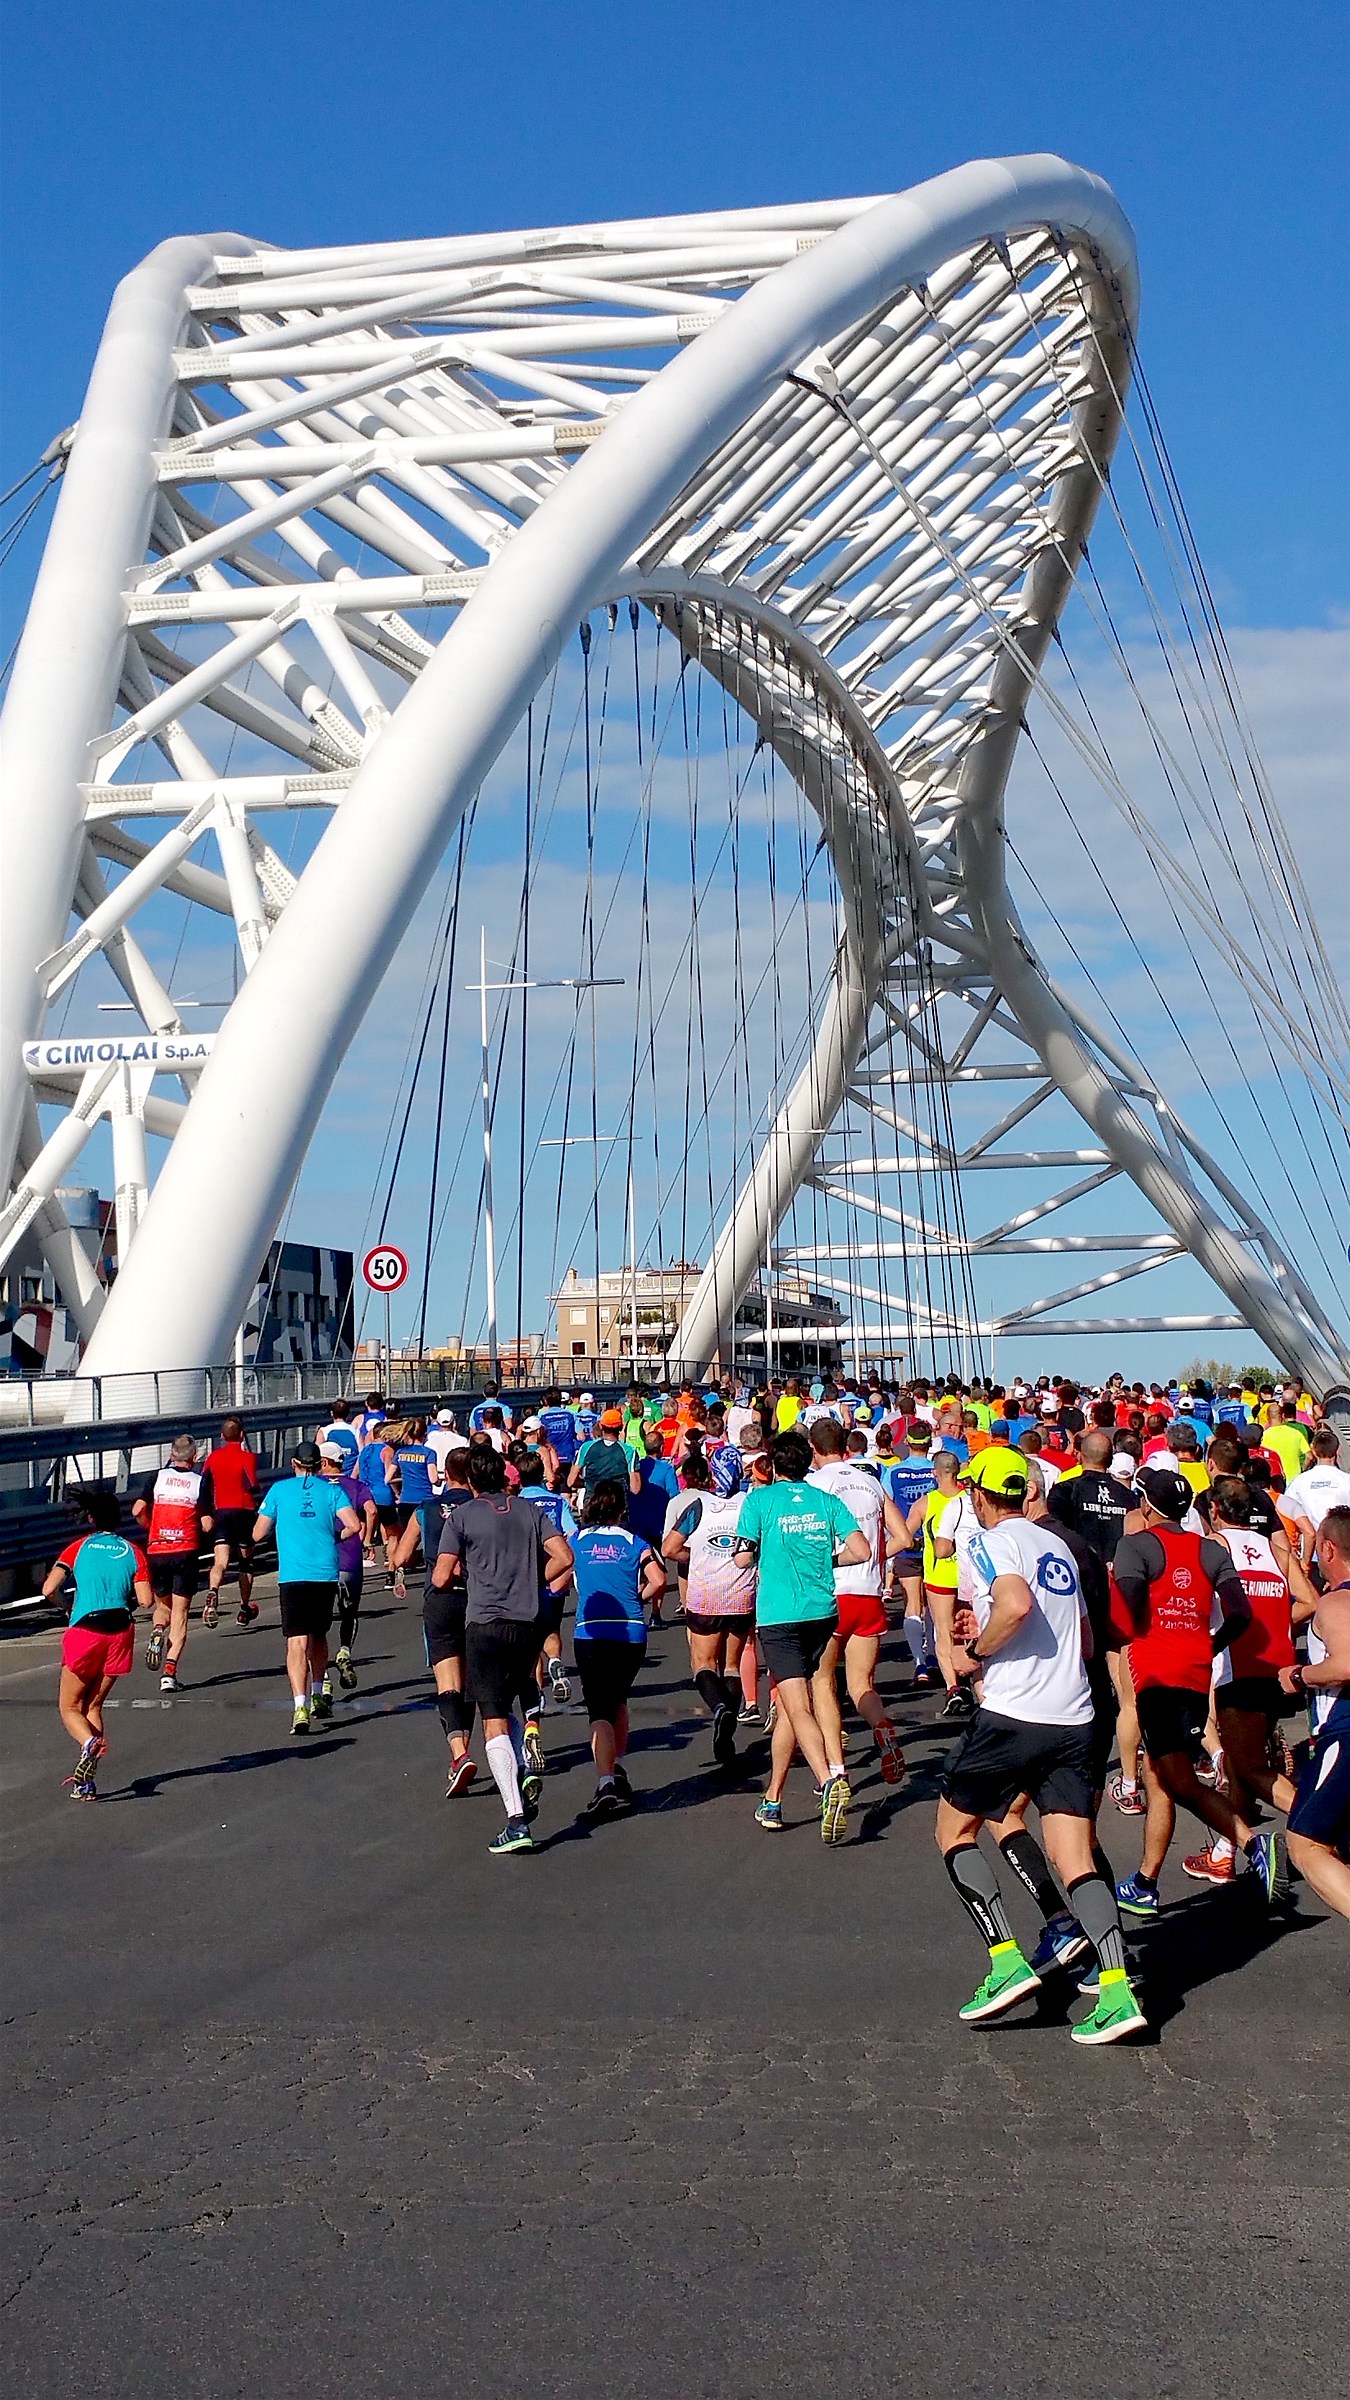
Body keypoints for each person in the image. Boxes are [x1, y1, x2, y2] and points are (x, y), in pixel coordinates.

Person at [935, 1448, 1146, 2045]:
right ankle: (1116, 1990)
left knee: (955, 1830)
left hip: (1013, 1715)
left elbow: (1016, 1605)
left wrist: (975, 1655)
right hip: (1074, 1715)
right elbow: (1077, 1638)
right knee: (1075, 1857)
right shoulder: (1058, 1545)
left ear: (977, 1494)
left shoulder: (990, 1542)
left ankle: (1005, 1960)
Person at [1109, 1468, 1283, 1914]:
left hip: (1157, 1678)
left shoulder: (1136, 1545)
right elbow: (1240, 1613)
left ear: (1147, 1504)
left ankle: (1252, 1844)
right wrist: (1208, 1645)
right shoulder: (1209, 1549)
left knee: (1180, 1781)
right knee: (1160, 1776)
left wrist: (1099, 1643)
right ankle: (1145, 1882)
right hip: (1194, 1676)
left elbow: (1125, 1611)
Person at [432, 1446, 572, 1855]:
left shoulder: (460, 1517)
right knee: (518, 1697)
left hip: (485, 1625)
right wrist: (531, 1580)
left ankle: (515, 1820)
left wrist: (473, 1576)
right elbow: (565, 1556)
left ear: (471, 1481)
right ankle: (526, 1763)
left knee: (493, 1719)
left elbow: (441, 1576)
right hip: (527, 1624)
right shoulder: (530, 1511)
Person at [733, 1429, 870, 1841]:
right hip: (823, 1612)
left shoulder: (758, 1501)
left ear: (773, 1464)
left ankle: (829, 1782)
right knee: (811, 1697)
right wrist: (830, 1558)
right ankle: (774, 1797)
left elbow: (742, 1557)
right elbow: (862, 1551)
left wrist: (755, 1552)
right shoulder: (827, 1502)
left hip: (779, 1616)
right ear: (807, 1461)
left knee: (796, 1706)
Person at [1182, 1474, 1304, 1884]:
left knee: (1249, 1767)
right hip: (1279, 1665)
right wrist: (1275, 1621)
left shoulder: (1213, 1547)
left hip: (1238, 1665)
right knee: (1237, 1762)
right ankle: (1224, 1852)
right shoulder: (1275, 1549)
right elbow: (1310, 1601)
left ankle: (1322, 1820)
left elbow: (1195, 1601)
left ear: (1214, 1510)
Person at [807, 1419, 908, 1786]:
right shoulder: (870, 1481)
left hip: (830, 1593)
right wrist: (875, 1559)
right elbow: (904, 1536)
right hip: (868, 1591)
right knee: (861, 1683)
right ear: (845, 1447)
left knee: (822, 1684)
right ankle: (882, 1728)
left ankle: (837, 1769)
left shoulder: (814, 1484)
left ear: (815, 1450)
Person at [42, 1490, 151, 1801]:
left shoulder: (78, 1547)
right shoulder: (133, 1551)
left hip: (85, 1630)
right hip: (120, 1631)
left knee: (69, 1707)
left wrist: (66, 1606)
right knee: (93, 1705)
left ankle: (89, 1745)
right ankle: (86, 1783)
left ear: (91, 1517)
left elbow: (50, 1588)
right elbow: (145, 1601)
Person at [572, 1482, 666, 1821]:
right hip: (630, 1631)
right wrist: (637, 1597)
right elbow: (658, 1580)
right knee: (618, 1699)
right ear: (621, 1511)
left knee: (598, 1708)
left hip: (591, 1630)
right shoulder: (634, 1542)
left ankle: (606, 1781)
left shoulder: (578, 1540)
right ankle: (617, 1764)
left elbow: (558, 1572)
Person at [253, 1442, 361, 1734]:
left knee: (295, 1642)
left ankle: (299, 1705)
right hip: (324, 1571)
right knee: (319, 1635)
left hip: (293, 1574)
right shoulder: (332, 1491)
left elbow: (258, 1532)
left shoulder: (279, 1490)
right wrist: (335, 1536)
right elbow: (355, 1524)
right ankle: (317, 1692)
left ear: (293, 1463)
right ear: (319, 1465)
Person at [1282, 1506, 1350, 1920]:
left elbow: (1345, 1664)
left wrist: (1300, 1674)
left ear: (1327, 1548)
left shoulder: (1338, 1601)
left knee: (1305, 1843)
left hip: (1344, 1732)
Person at [663, 1474, 757, 1768]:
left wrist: (698, 1553)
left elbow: (669, 1549)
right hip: (741, 1593)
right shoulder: (749, 1504)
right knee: (731, 1663)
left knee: (703, 1663)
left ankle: (719, 1708)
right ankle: (727, 1730)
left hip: (706, 1595)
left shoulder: (698, 1505)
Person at [133, 1434, 215, 1695]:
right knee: (180, 1615)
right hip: (185, 1551)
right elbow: (206, 1523)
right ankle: (169, 1672)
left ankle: (158, 1629)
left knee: (163, 1607)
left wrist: (150, 1527)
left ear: (170, 1455)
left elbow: (137, 1509)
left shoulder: (156, 1478)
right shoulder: (200, 1481)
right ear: (195, 1457)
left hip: (157, 1548)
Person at [421, 1446, 478, 1796]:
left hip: (440, 1601)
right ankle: (463, 1753)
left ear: (445, 1473)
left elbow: (399, 1554)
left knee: (448, 1683)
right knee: (469, 1681)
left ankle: (459, 1754)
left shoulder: (426, 1509)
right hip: (475, 1597)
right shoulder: (480, 1509)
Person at [202, 1415, 260, 1627]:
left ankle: (213, 1591)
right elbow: (252, 1484)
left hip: (222, 1511)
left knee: (220, 1561)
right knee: (245, 1562)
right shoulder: (248, 1457)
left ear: (221, 1436)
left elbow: (205, 1483)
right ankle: (244, 1609)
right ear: (242, 1436)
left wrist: (206, 1511)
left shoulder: (213, 1458)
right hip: (243, 1511)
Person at [319, 1441, 366, 1689]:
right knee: (349, 1612)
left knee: (320, 1622)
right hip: (350, 1559)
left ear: (324, 1463)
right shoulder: (356, 1486)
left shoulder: (314, 1488)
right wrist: (366, 1539)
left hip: (322, 1562)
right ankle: (344, 1651)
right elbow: (370, 1509)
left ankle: (323, 1679)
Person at [1281, 1429, 1350, 1570]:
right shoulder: (1346, 1480)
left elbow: (1285, 1513)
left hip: (1310, 1552)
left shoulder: (1299, 1482)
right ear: (1338, 1450)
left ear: (1313, 1451)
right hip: (1343, 1552)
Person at [388, 1417, 441, 1596]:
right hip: (424, 1501)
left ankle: (397, 1569)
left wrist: (402, 1481)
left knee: (404, 1539)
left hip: (405, 1500)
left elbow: (387, 1479)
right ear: (424, 1434)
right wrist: (440, 1478)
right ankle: (431, 1571)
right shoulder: (428, 1453)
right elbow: (433, 1478)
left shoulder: (400, 1453)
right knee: (428, 1538)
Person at [569, 1409, 638, 1503]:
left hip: (592, 1501)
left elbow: (571, 1481)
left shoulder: (586, 1447)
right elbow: (635, 1488)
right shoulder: (629, 1451)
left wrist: (588, 1483)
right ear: (621, 1427)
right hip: (617, 1503)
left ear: (601, 1426)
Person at [1263, 1401, 1312, 1486]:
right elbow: (1309, 1456)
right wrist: (1302, 1469)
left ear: (1267, 1417)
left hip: (1275, 1481)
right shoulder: (1296, 1433)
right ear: (1282, 1415)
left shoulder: (1264, 1436)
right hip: (1295, 1480)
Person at [316, 1399, 360, 1469]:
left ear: (332, 1413)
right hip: (350, 1475)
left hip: (330, 1475)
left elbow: (317, 1455)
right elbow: (361, 1455)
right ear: (348, 1413)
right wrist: (354, 1475)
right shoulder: (356, 1431)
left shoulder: (324, 1431)